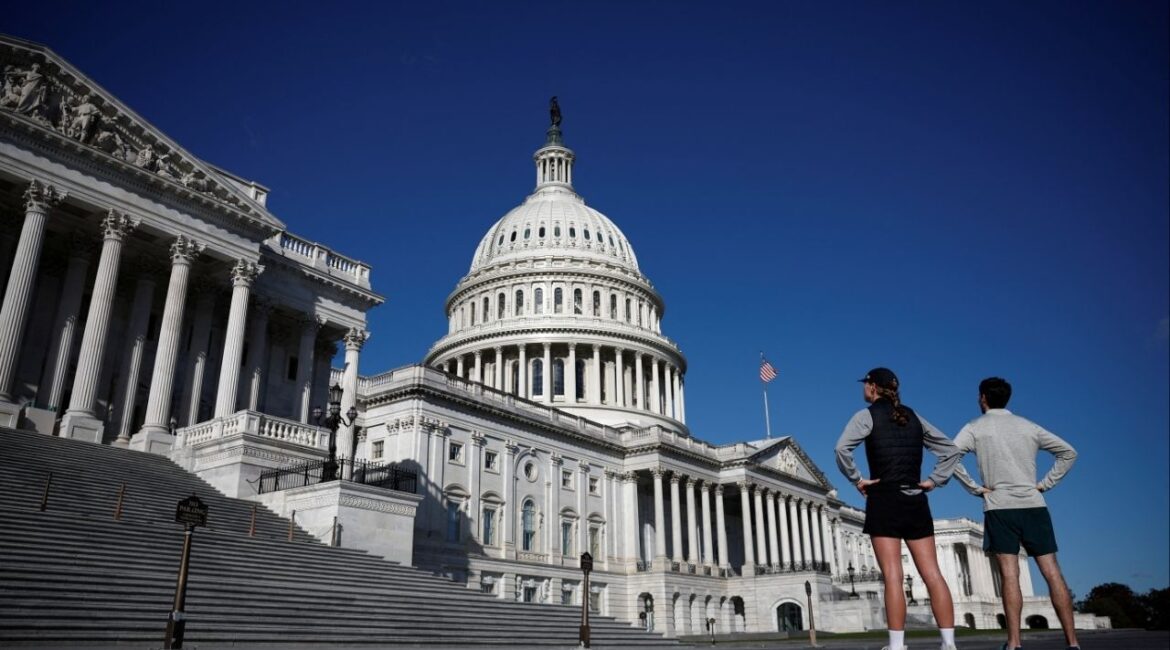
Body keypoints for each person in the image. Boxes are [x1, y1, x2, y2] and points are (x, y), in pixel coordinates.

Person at [836, 367, 962, 650]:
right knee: (933, 574)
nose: (863, 389)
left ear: (871, 387)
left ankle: (896, 645)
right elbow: (950, 450)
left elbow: (841, 449)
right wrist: (933, 481)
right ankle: (949, 644)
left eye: (865, 385)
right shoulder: (914, 417)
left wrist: (857, 479)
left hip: (884, 499)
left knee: (892, 576)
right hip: (916, 499)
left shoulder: (865, 416)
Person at [952, 377, 1080, 650]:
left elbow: (948, 457)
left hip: (999, 507)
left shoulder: (974, 427)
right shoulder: (1027, 426)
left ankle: (1013, 643)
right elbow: (1068, 453)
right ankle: (1072, 642)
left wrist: (974, 488)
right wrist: (1045, 484)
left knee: (1010, 576)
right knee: (1052, 572)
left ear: (983, 398)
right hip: (1034, 505)